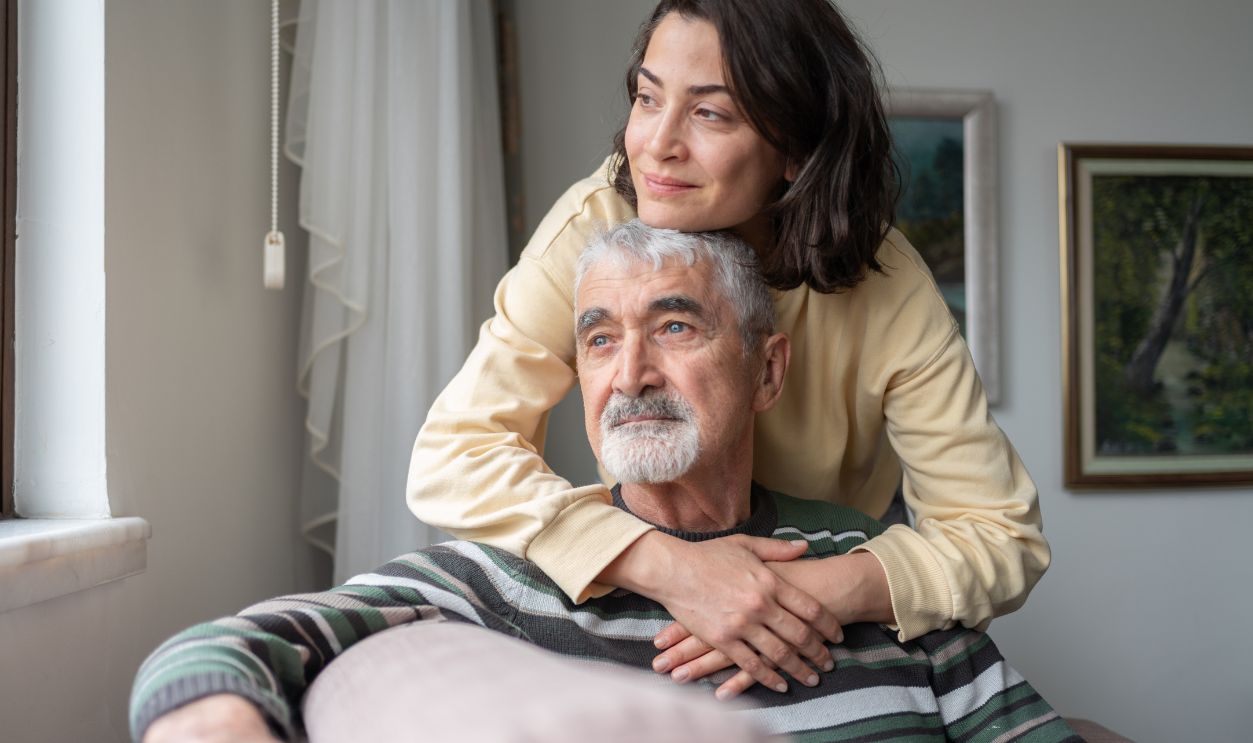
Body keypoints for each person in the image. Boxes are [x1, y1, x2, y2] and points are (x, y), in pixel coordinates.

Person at [131, 224, 1077, 743]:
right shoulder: (498, 581)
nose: (628, 375)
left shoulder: (876, 574)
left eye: (673, 327)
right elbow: (220, 649)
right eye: (597, 339)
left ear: (768, 371)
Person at [407, 0, 1050, 697]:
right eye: (647, 98)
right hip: (644, 579)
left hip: (823, 612)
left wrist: (803, 593)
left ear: (796, 148)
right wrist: (666, 566)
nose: (655, 144)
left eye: (709, 113)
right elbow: (453, 454)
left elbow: (999, 535)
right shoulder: (591, 226)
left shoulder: (887, 285)